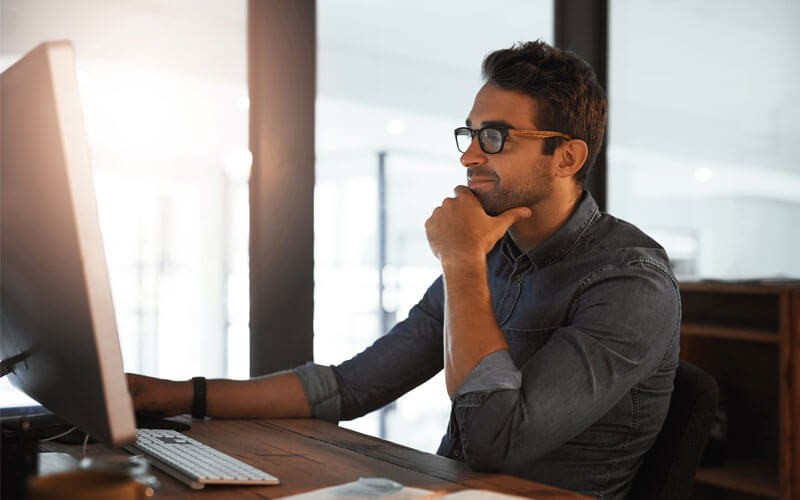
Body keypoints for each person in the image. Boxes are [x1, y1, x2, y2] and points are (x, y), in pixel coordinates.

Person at [128, 40, 680, 499]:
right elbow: (348, 387)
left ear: (566, 158)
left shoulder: (630, 280)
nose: (468, 157)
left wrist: (461, 260)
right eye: (470, 134)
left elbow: (497, 439)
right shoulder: (492, 253)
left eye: (495, 137)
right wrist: (175, 394)